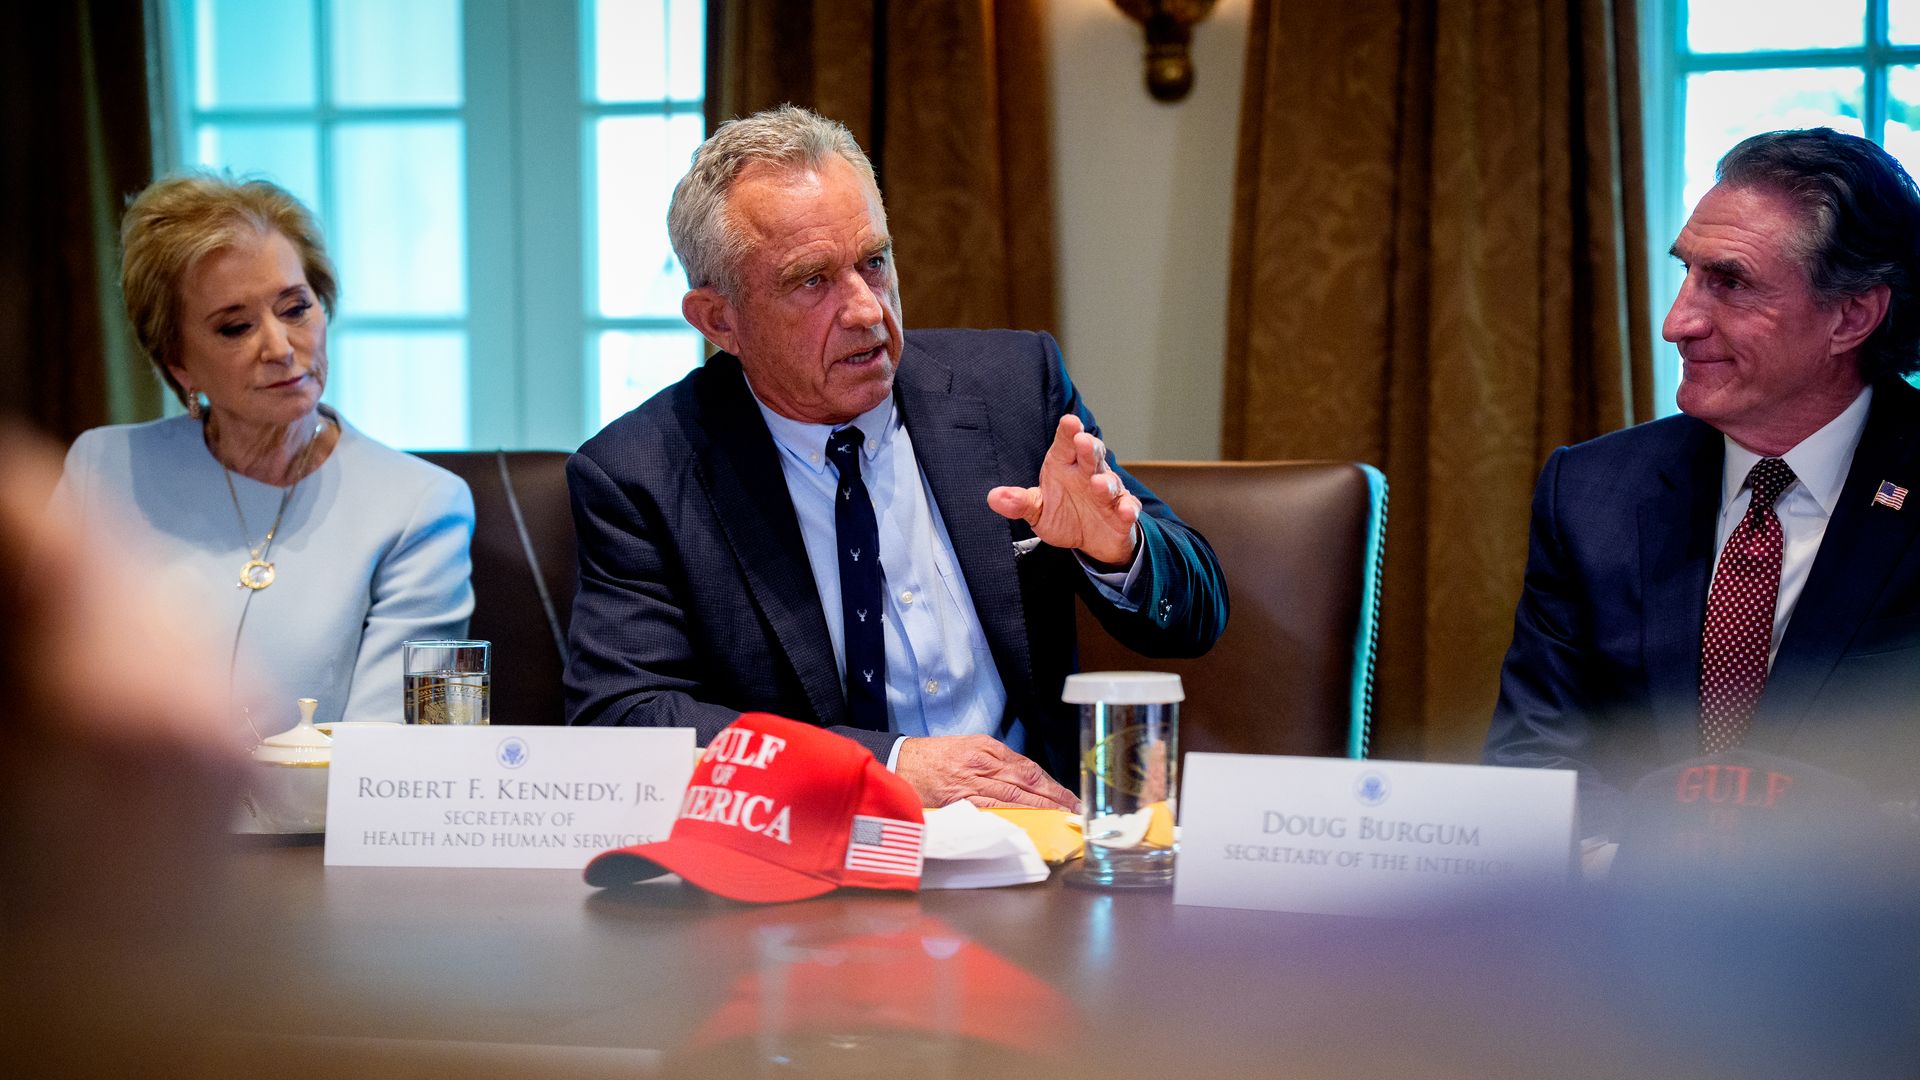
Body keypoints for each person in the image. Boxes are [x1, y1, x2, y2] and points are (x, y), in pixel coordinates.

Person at [566, 106, 1228, 809]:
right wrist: (885, 766)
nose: (865, 310)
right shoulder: (642, 474)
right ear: (718, 320)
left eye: (874, 262)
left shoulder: (1012, 388)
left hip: (1034, 834)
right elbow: (622, 719)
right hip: (811, 850)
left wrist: (1120, 551)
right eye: (812, 281)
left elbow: (1197, 615)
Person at [1485, 128, 1920, 838]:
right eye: (1687, 274)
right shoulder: (1591, 493)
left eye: (1731, 283)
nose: (1676, 323)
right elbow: (1532, 761)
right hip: (1628, 895)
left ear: (1852, 316)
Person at [55, 174, 474, 736]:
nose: (279, 348)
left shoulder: (422, 505)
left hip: (327, 798)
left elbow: (396, 748)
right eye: (235, 327)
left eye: (295, 309)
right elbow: (40, 696)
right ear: (178, 362)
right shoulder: (103, 470)